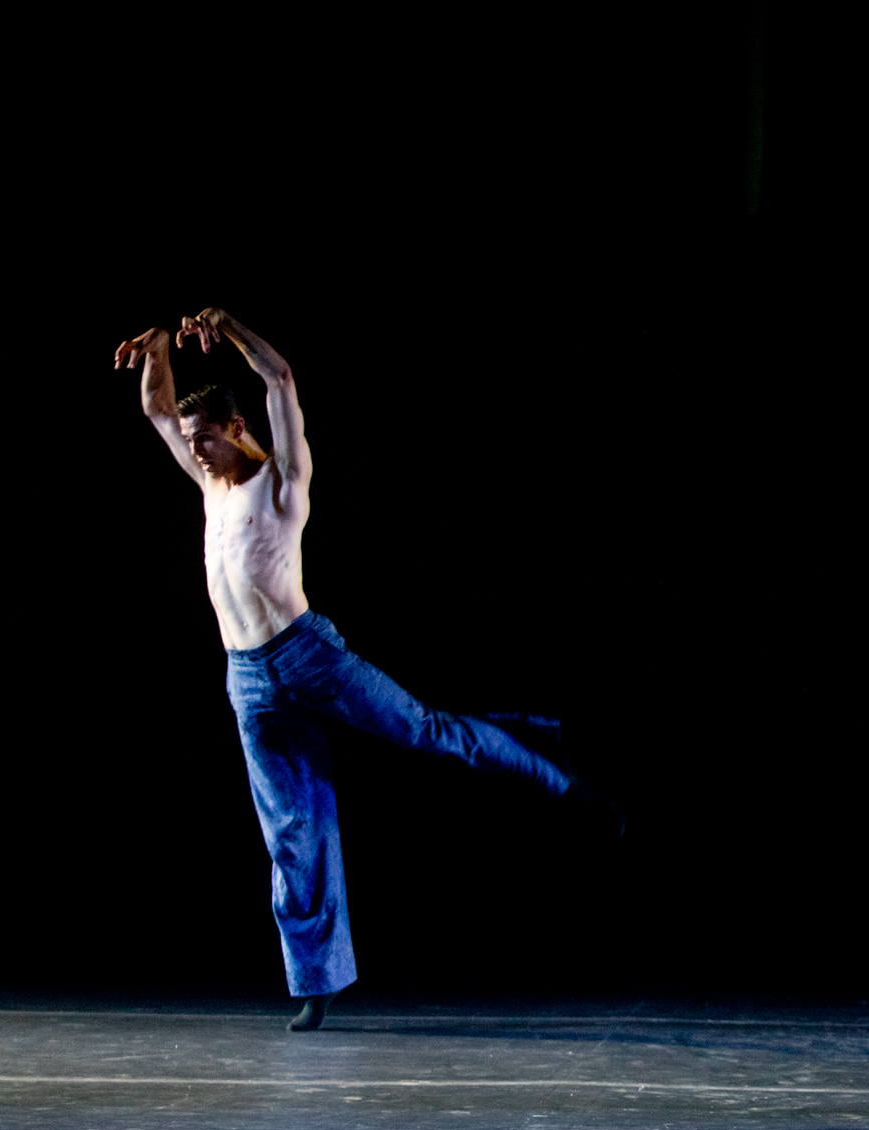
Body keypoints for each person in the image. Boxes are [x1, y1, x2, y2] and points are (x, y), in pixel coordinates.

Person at [113, 311, 619, 1031]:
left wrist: (228, 332)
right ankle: (317, 981)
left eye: (204, 442)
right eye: (190, 446)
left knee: (430, 734)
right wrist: (159, 347)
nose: (192, 453)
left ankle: (558, 776)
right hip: (248, 679)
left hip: (308, 655)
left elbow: (280, 378)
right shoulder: (209, 487)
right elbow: (158, 408)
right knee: (293, 830)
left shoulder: (282, 484)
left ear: (233, 429)